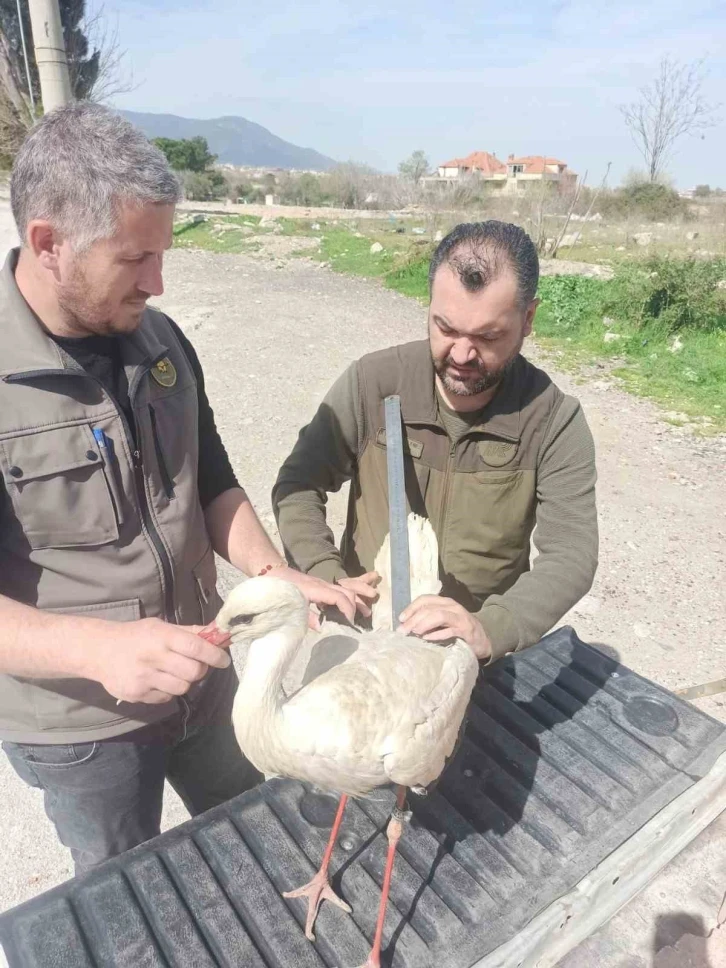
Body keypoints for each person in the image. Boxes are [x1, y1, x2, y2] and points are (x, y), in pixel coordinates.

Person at [0, 102, 355, 874]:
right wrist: (100, 651)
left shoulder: (158, 341)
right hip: (82, 725)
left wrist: (271, 574)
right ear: (49, 244)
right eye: (135, 260)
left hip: (207, 681)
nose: (158, 283)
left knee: (256, 843)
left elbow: (211, 478)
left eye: (163, 253)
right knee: (130, 897)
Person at [273, 220, 598, 664]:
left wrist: (492, 628)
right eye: (445, 328)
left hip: (472, 656)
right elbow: (298, 484)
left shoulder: (555, 420)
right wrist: (324, 574)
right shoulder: (374, 382)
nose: (462, 355)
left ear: (528, 320)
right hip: (365, 640)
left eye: (488, 336)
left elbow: (571, 553)